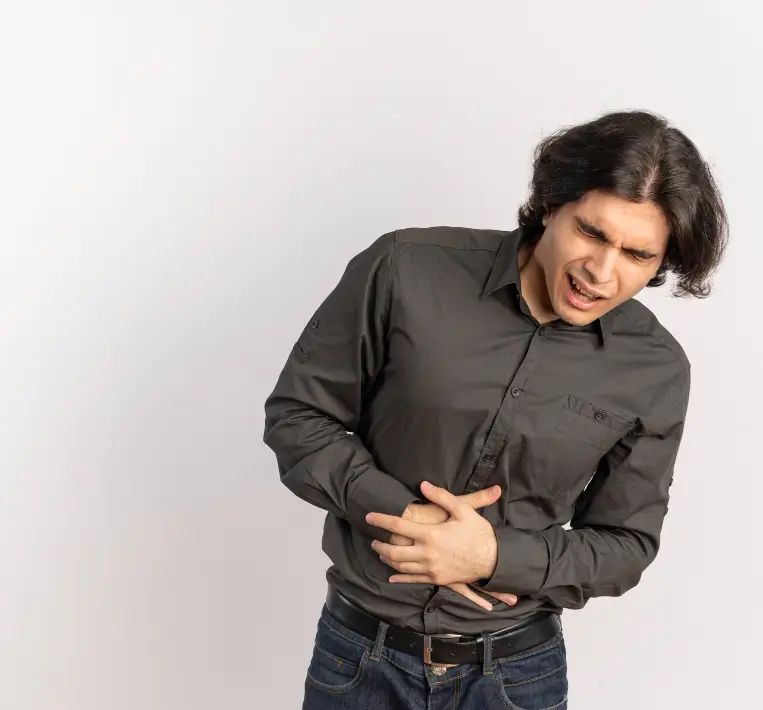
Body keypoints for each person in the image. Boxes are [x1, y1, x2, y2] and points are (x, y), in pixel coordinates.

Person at [262, 109, 728, 709]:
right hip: (359, 660)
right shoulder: (405, 268)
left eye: (638, 255)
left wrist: (492, 556)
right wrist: (407, 519)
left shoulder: (655, 369)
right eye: (591, 233)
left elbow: (625, 545)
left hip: (515, 679)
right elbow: (299, 418)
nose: (602, 272)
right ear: (550, 204)